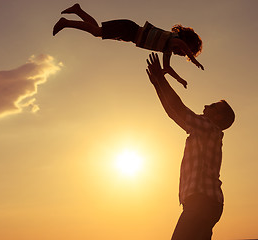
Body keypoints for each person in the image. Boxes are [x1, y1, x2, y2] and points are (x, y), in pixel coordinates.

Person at [146, 53, 235, 240]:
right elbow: (174, 114)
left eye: (212, 106)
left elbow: (179, 109)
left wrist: (161, 80)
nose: (205, 106)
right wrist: (157, 85)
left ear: (218, 117)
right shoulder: (203, 131)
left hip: (202, 201)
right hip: (204, 203)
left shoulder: (210, 129)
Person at [53, 3, 204, 88]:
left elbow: (168, 67)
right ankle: (65, 22)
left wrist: (179, 80)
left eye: (184, 55)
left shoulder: (167, 49)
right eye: (185, 52)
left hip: (127, 36)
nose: (182, 54)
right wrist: (195, 61)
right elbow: (180, 44)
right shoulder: (173, 39)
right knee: (97, 32)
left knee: (97, 31)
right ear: (186, 42)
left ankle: (78, 10)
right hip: (129, 28)